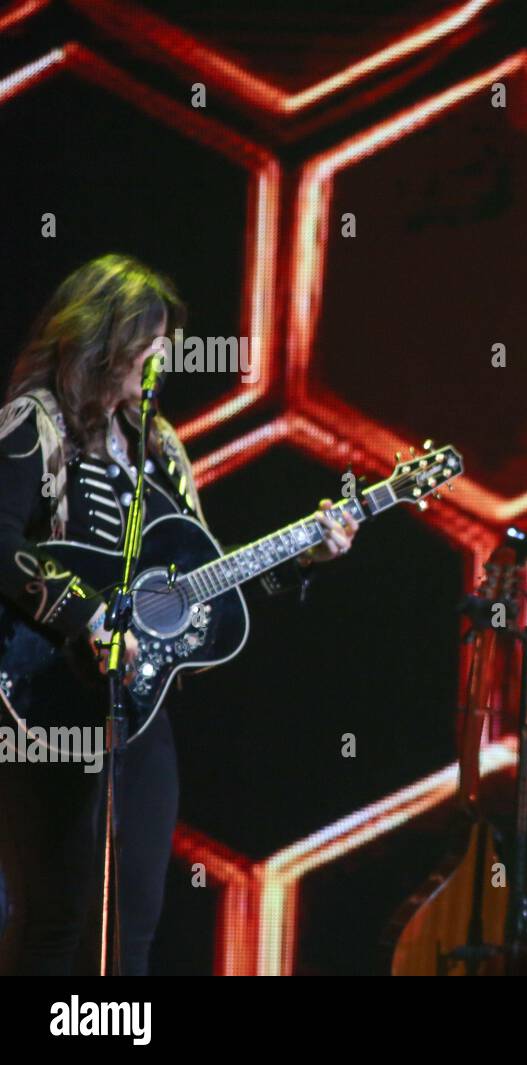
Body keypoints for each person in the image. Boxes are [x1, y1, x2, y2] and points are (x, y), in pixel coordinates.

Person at [0, 254, 358, 974]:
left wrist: (305, 555)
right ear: (104, 339)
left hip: (140, 710)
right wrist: (86, 616)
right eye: (150, 338)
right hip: (43, 702)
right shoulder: (31, 422)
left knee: (133, 922)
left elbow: (204, 588)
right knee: (56, 917)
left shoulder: (160, 447)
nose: (164, 355)